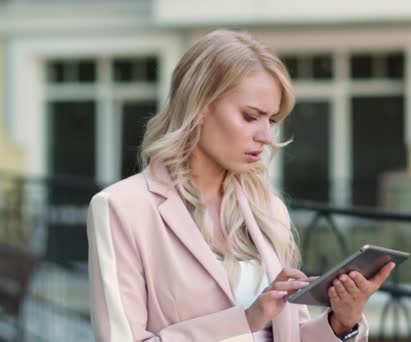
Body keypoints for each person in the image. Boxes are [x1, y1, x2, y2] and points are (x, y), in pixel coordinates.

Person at [87, 29, 395, 342]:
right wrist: (246, 321)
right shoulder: (121, 208)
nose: (266, 136)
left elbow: (291, 334)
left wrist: (342, 321)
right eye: (251, 117)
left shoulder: (268, 209)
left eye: (271, 121)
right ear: (200, 107)